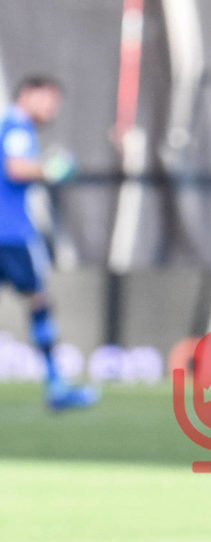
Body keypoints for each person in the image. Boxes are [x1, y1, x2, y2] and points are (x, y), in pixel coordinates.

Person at [0, 75, 95, 410]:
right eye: (48, 100)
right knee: (39, 300)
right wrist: (52, 168)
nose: (51, 109)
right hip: (11, 234)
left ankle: (56, 384)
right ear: (27, 94)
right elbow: (16, 169)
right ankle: (56, 385)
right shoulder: (17, 127)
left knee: (38, 298)